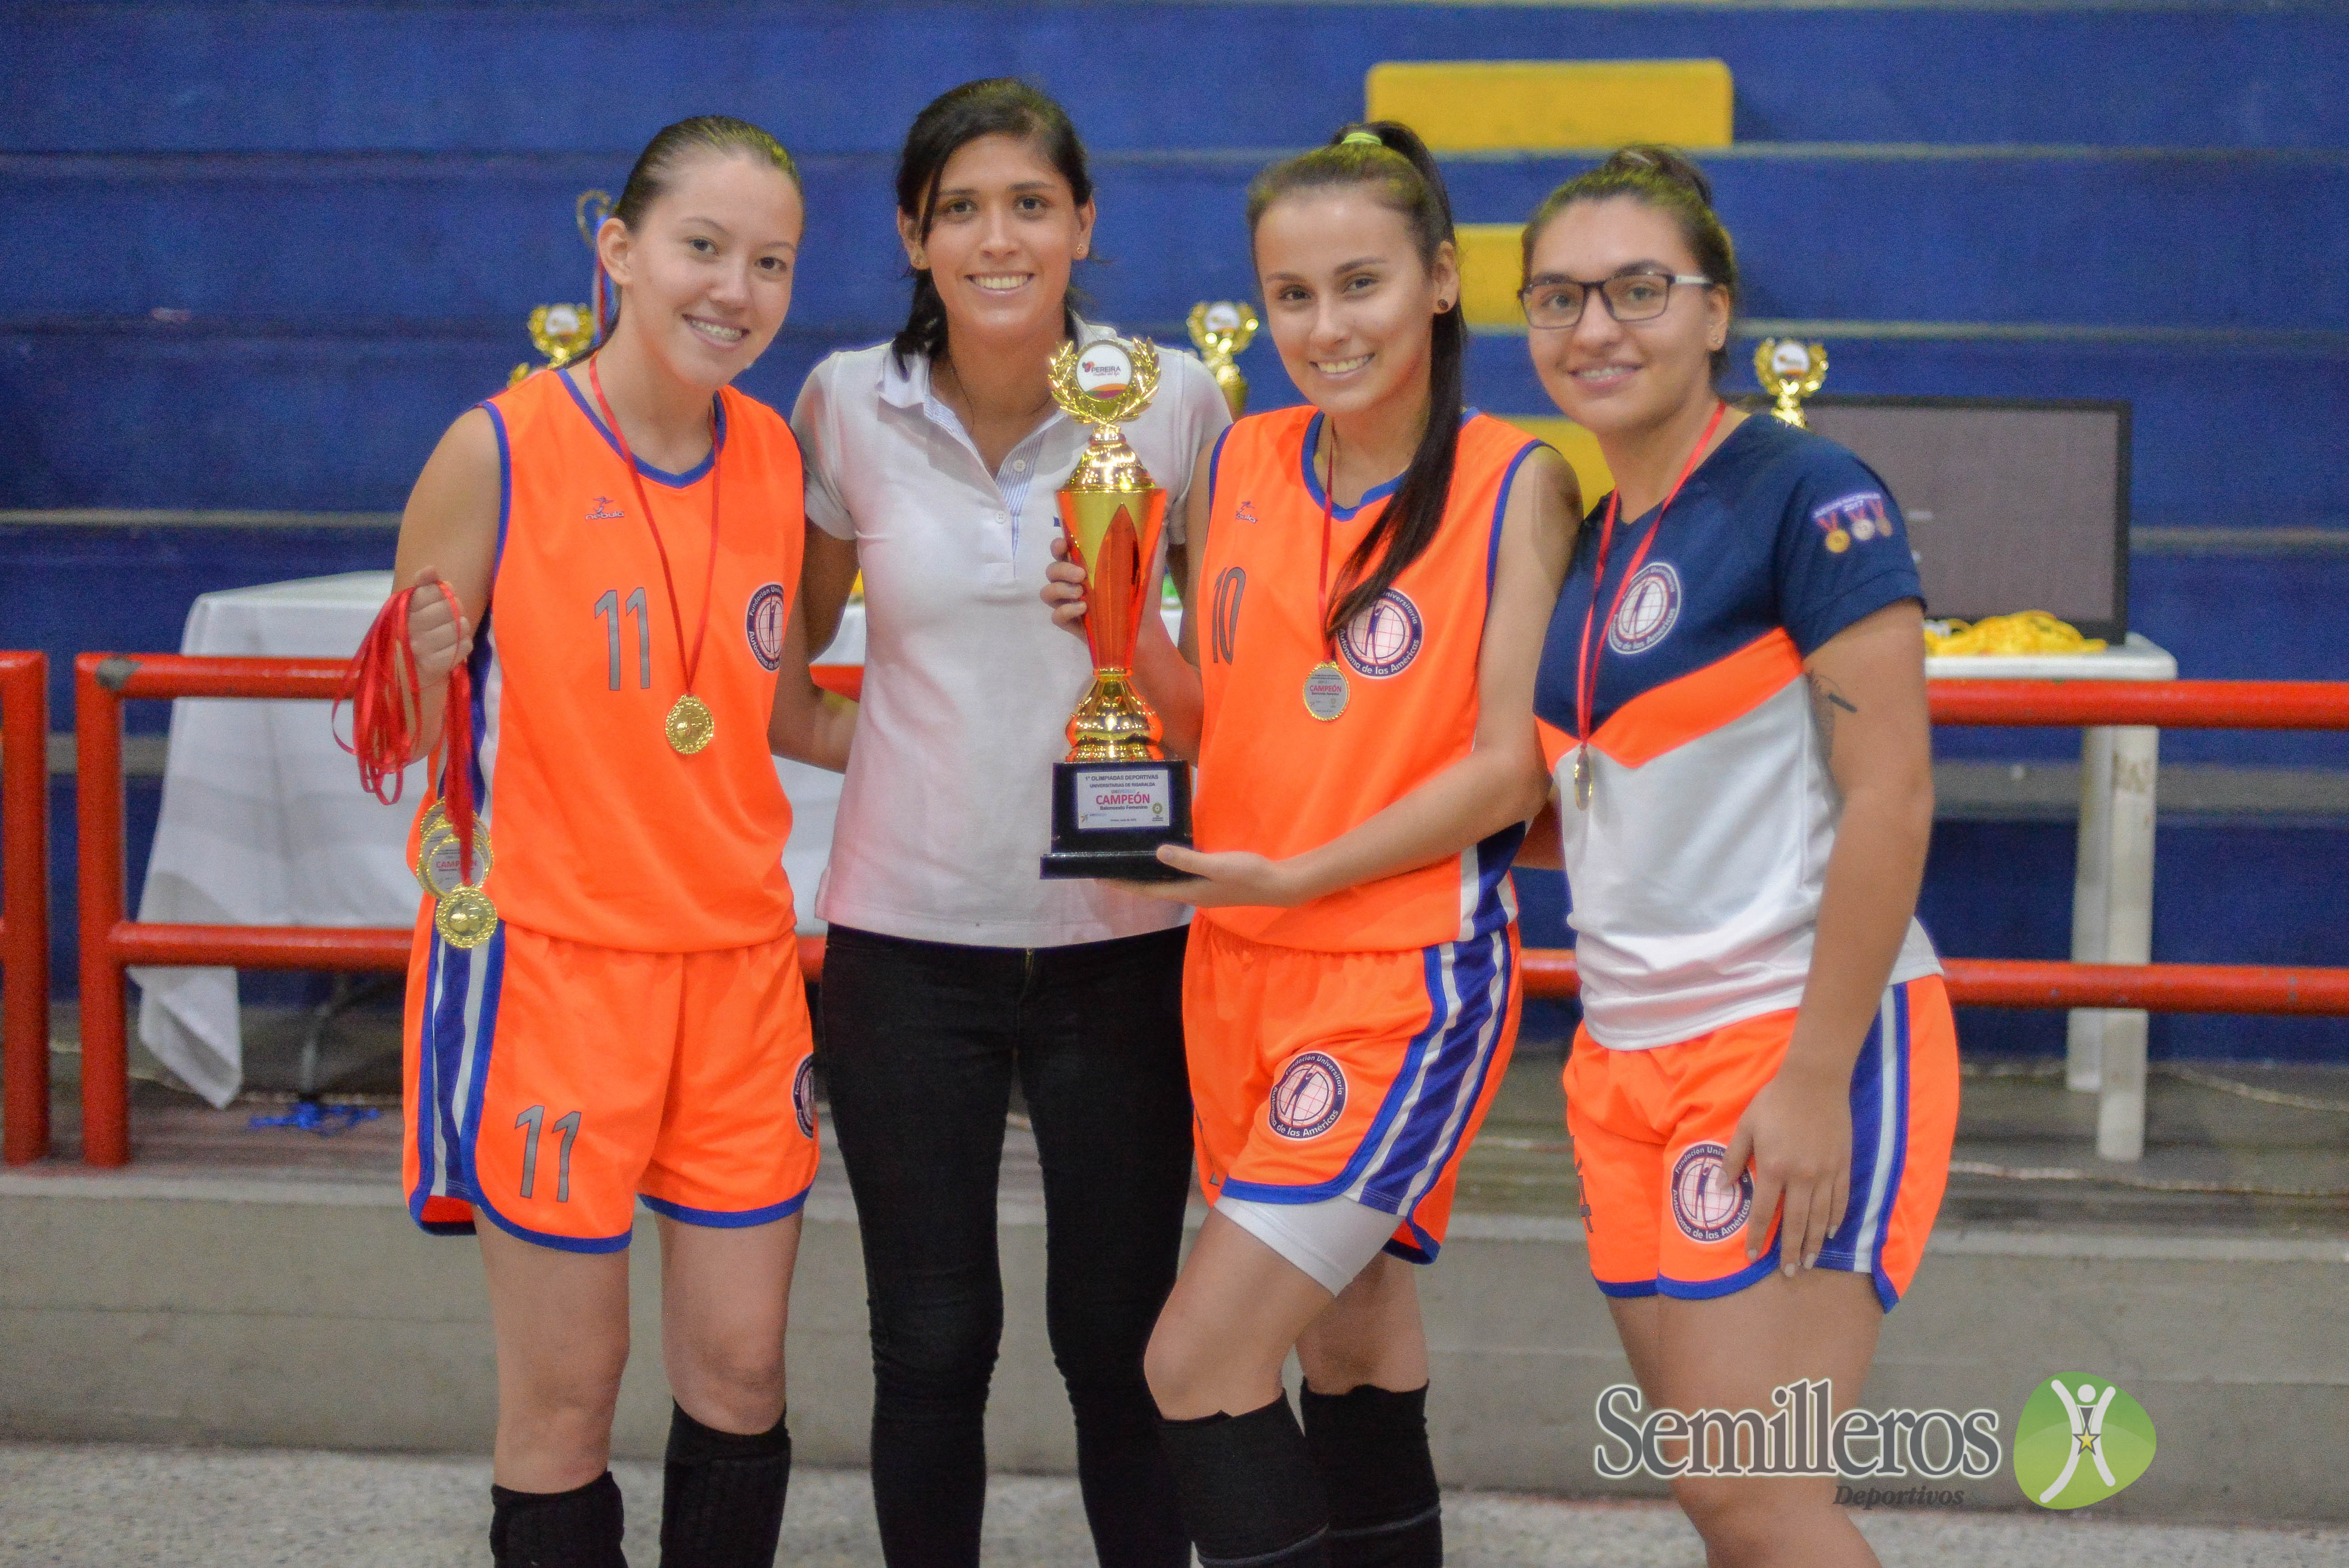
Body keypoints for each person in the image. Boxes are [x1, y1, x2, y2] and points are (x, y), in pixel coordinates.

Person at [1048, 123, 1577, 1568]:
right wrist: (1117, 632)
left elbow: (1506, 770)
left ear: (1443, 282)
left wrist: (1301, 871)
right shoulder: (1242, 461)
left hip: (1396, 977)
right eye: (1291, 295)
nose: (1324, 327)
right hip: (1238, 970)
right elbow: (1218, 722)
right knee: (1347, 1334)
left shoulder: (1512, 478)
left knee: (1195, 1363)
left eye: (1360, 285)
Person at [385, 115, 849, 1567]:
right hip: (554, 973)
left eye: (768, 262)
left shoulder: (777, 456)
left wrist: (1007, 738)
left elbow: (778, 710)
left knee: (741, 1376)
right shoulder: (497, 446)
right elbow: (406, 725)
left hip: (738, 975)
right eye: (701, 247)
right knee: (564, 1402)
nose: (735, 289)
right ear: (620, 252)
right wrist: (428, 664)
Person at [789, 78, 1227, 1567]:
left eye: (1029, 204)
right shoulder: (846, 402)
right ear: (912, 234)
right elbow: (788, 686)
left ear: (1083, 223)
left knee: (1120, 1346)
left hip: (1124, 942)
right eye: (959, 207)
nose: (997, 236)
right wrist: (925, 759)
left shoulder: (1169, 398)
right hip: (904, 951)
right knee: (930, 1340)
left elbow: (1223, 697)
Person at [1517, 146, 1956, 1567]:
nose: (1597, 328)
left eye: (1639, 290)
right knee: (1727, 1497)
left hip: (1791, 1039)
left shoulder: (1807, 489)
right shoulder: (1588, 538)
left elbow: (1889, 789)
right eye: (1561, 298)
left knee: (1752, 1492)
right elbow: (1591, 803)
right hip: (1627, 1057)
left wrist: (1816, 1074)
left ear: (1718, 313)